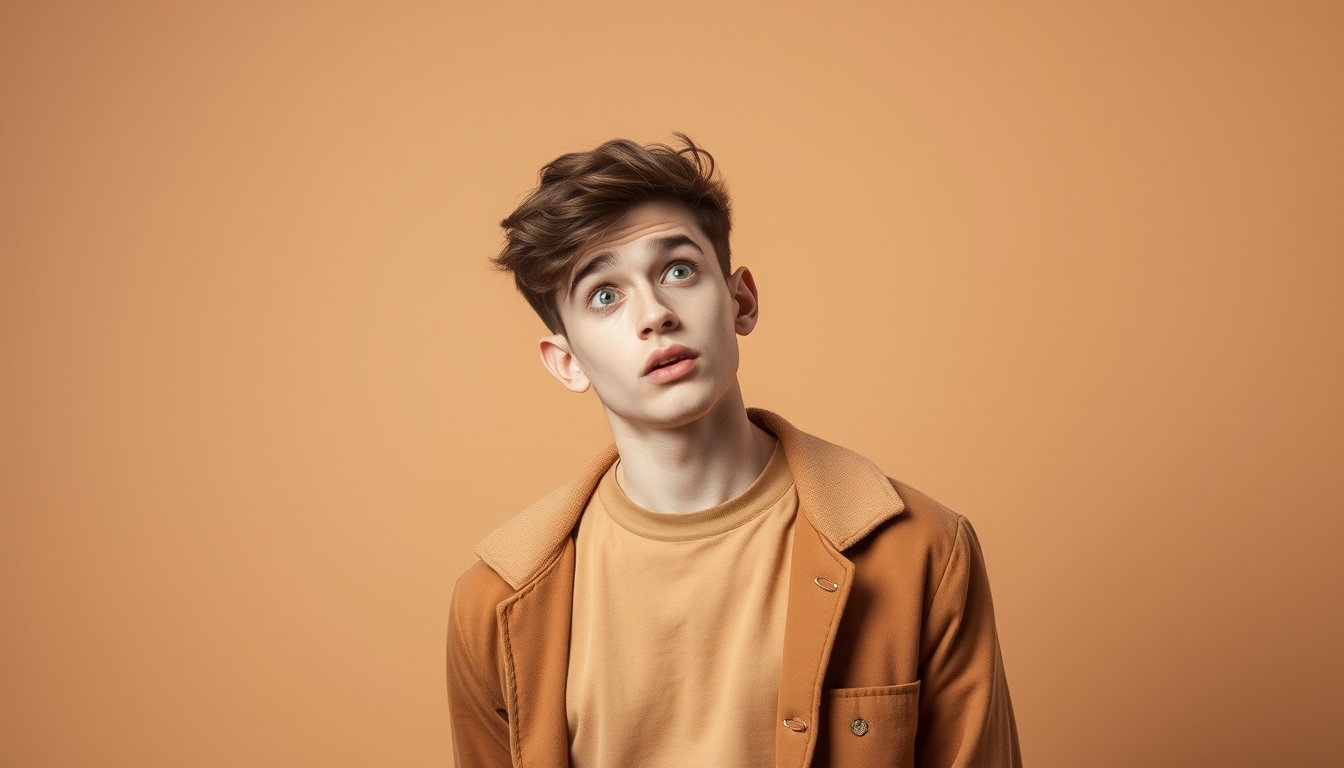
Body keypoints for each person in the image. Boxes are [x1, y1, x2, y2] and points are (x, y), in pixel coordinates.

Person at [447, 135, 1021, 768]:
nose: (655, 313)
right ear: (566, 363)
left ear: (740, 299)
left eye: (677, 271)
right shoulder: (497, 601)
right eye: (604, 295)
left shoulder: (922, 551)